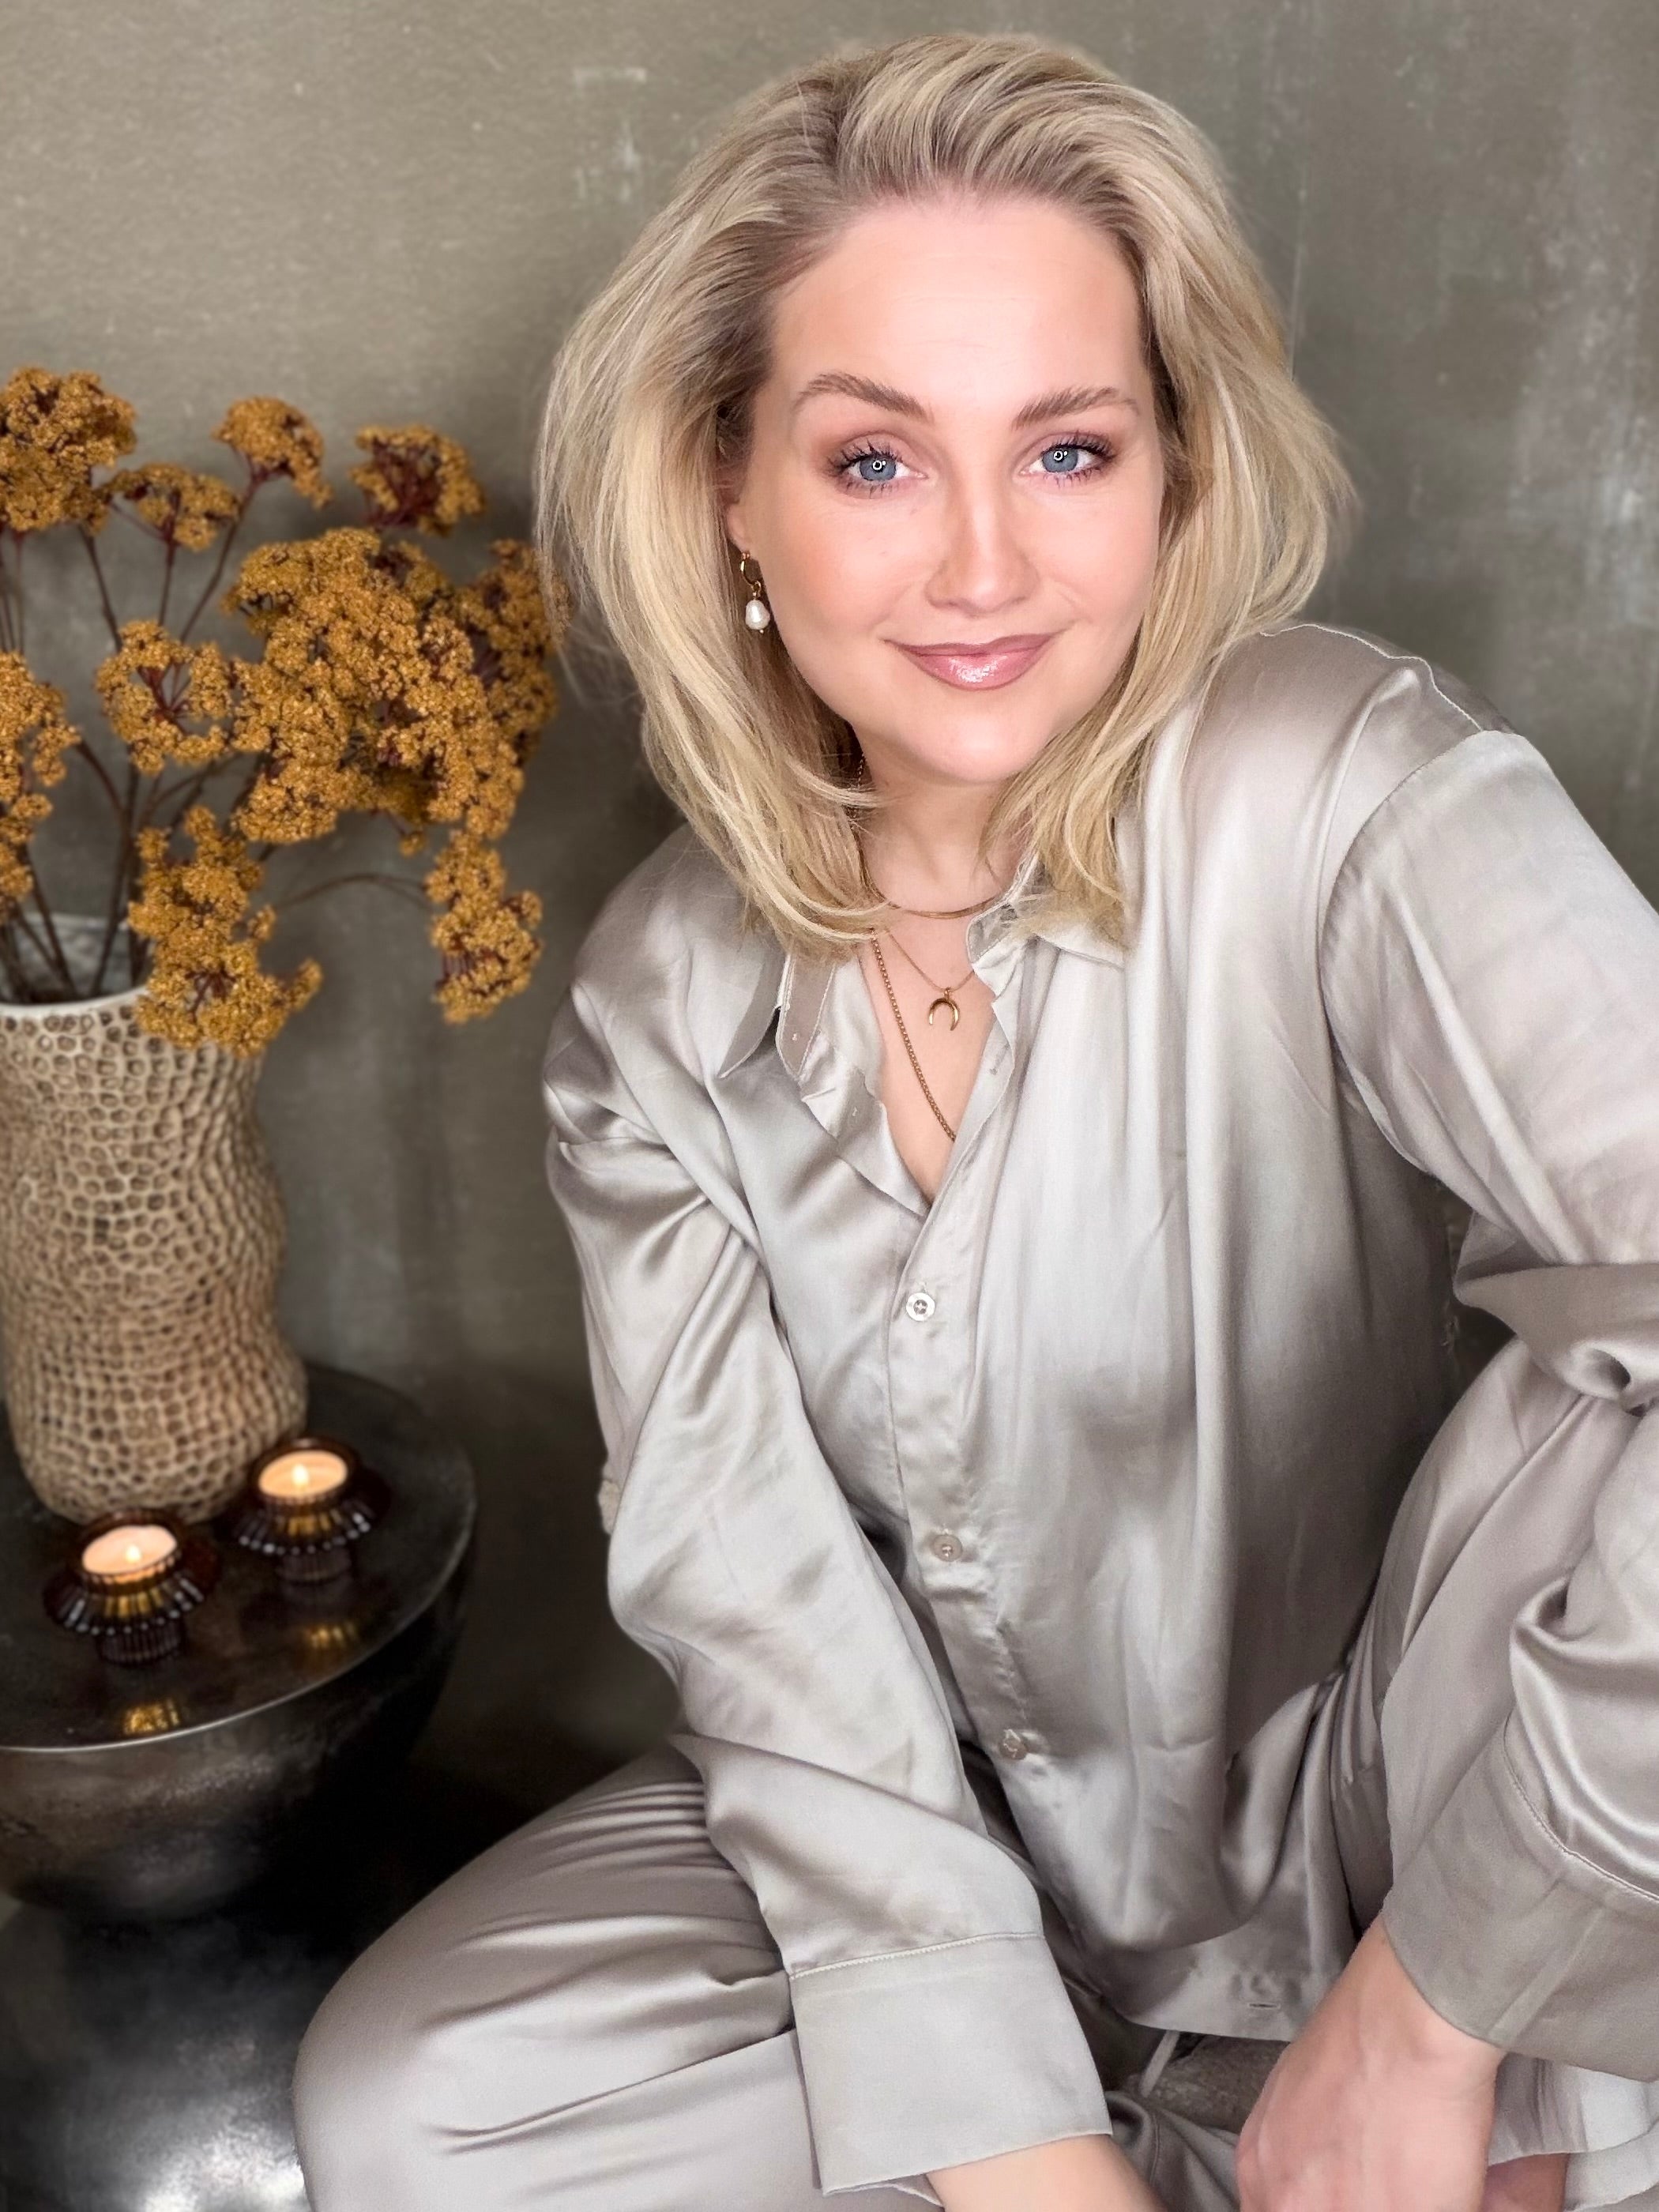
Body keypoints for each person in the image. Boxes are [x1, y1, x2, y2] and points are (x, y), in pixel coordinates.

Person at [291, 31, 1659, 2212]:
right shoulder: (660, 999)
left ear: (1174, 470)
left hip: (1418, 1814)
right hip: (980, 1832)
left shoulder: (1342, 780)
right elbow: (761, 1613)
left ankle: (1455, 2082)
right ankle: (1142, 2124)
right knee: (425, 2101)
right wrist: (1017, 2146)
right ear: (726, 486)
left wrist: (1431, 2013)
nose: (984, 568)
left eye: (1067, 448)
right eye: (873, 461)